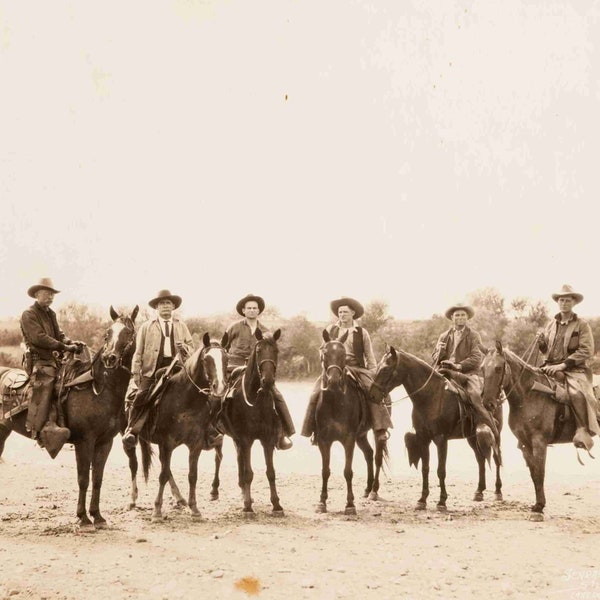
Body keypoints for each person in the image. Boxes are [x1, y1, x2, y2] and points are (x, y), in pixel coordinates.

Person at [301, 297, 393, 444]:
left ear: (353, 313)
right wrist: (326, 363)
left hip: (357, 368)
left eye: (345, 312)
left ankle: (380, 428)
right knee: (316, 393)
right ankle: (313, 430)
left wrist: (373, 373)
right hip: (334, 368)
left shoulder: (361, 332)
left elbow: (369, 355)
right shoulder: (331, 329)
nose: (341, 315)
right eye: (339, 312)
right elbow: (322, 349)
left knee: (373, 392)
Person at [122, 289, 196, 449]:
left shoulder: (181, 326)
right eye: (161, 304)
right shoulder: (147, 327)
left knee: (198, 393)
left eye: (168, 303)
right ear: (156, 307)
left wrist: (184, 349)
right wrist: (136, 371)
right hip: (152, 369)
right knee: (140, 396)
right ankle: (132, 431)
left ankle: (206, 432)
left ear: (173, 306)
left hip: (178, 368)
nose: (165, 307)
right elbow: (138, 351)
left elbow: (192, 347)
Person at [224, 293, 295, 450]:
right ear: (243, 310)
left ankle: (283, 433)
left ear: (259, 311)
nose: (251, 310)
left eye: (254, 308)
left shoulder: (266, 331)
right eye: (248, 308)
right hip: (235, 367)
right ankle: (212, 430)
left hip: (256, 370)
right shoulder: (233, 327)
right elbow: (224, 348)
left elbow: (270, 353)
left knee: (276, 395)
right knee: (219, 394)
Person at [20, 277, 80, 455]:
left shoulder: (50, 313)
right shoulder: (28, 314)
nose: (50, 297)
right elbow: (38, 337)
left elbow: (59, 334)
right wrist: (64, 347)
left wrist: (71, 342)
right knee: (45, 384)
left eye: (52, 295)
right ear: (37, 294)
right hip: (39, 361)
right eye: (46, 294)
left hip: (54, 360)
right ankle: (39, 430)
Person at [536, 284, 600, 451]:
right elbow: (547, 350)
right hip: (549, 367)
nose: (564, 303)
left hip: (573, 370)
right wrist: (542, 345)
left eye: (567, 300)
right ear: (558, 302)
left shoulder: (582, 324)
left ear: (573, 303)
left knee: (576, 393)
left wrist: (563, 365)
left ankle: (582, 430)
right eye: (561, 300)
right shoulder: (551, 324)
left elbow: (586, 350)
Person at [432, 302, 499, 438]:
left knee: (474, 395)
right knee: (426, 390)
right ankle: (422, 426)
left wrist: (458, 366)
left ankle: (485, 425)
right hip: (445, 372)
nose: (460, 317)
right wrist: (439, 351)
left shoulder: (474, 335)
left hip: (466, 373)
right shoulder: (444, 336)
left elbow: (476, 357)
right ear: (452, 318)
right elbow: (434, 358)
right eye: (457, 315)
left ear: (467, 318)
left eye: (463, 315)